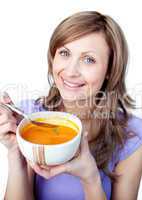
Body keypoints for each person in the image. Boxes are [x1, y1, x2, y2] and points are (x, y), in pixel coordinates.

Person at [0, 11, 142, 200]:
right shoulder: (29, 116)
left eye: (88, 59)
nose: (71, 71)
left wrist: (90, 178)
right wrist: (17, 153)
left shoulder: (132, 136)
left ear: (110, 69)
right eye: (65, 53)